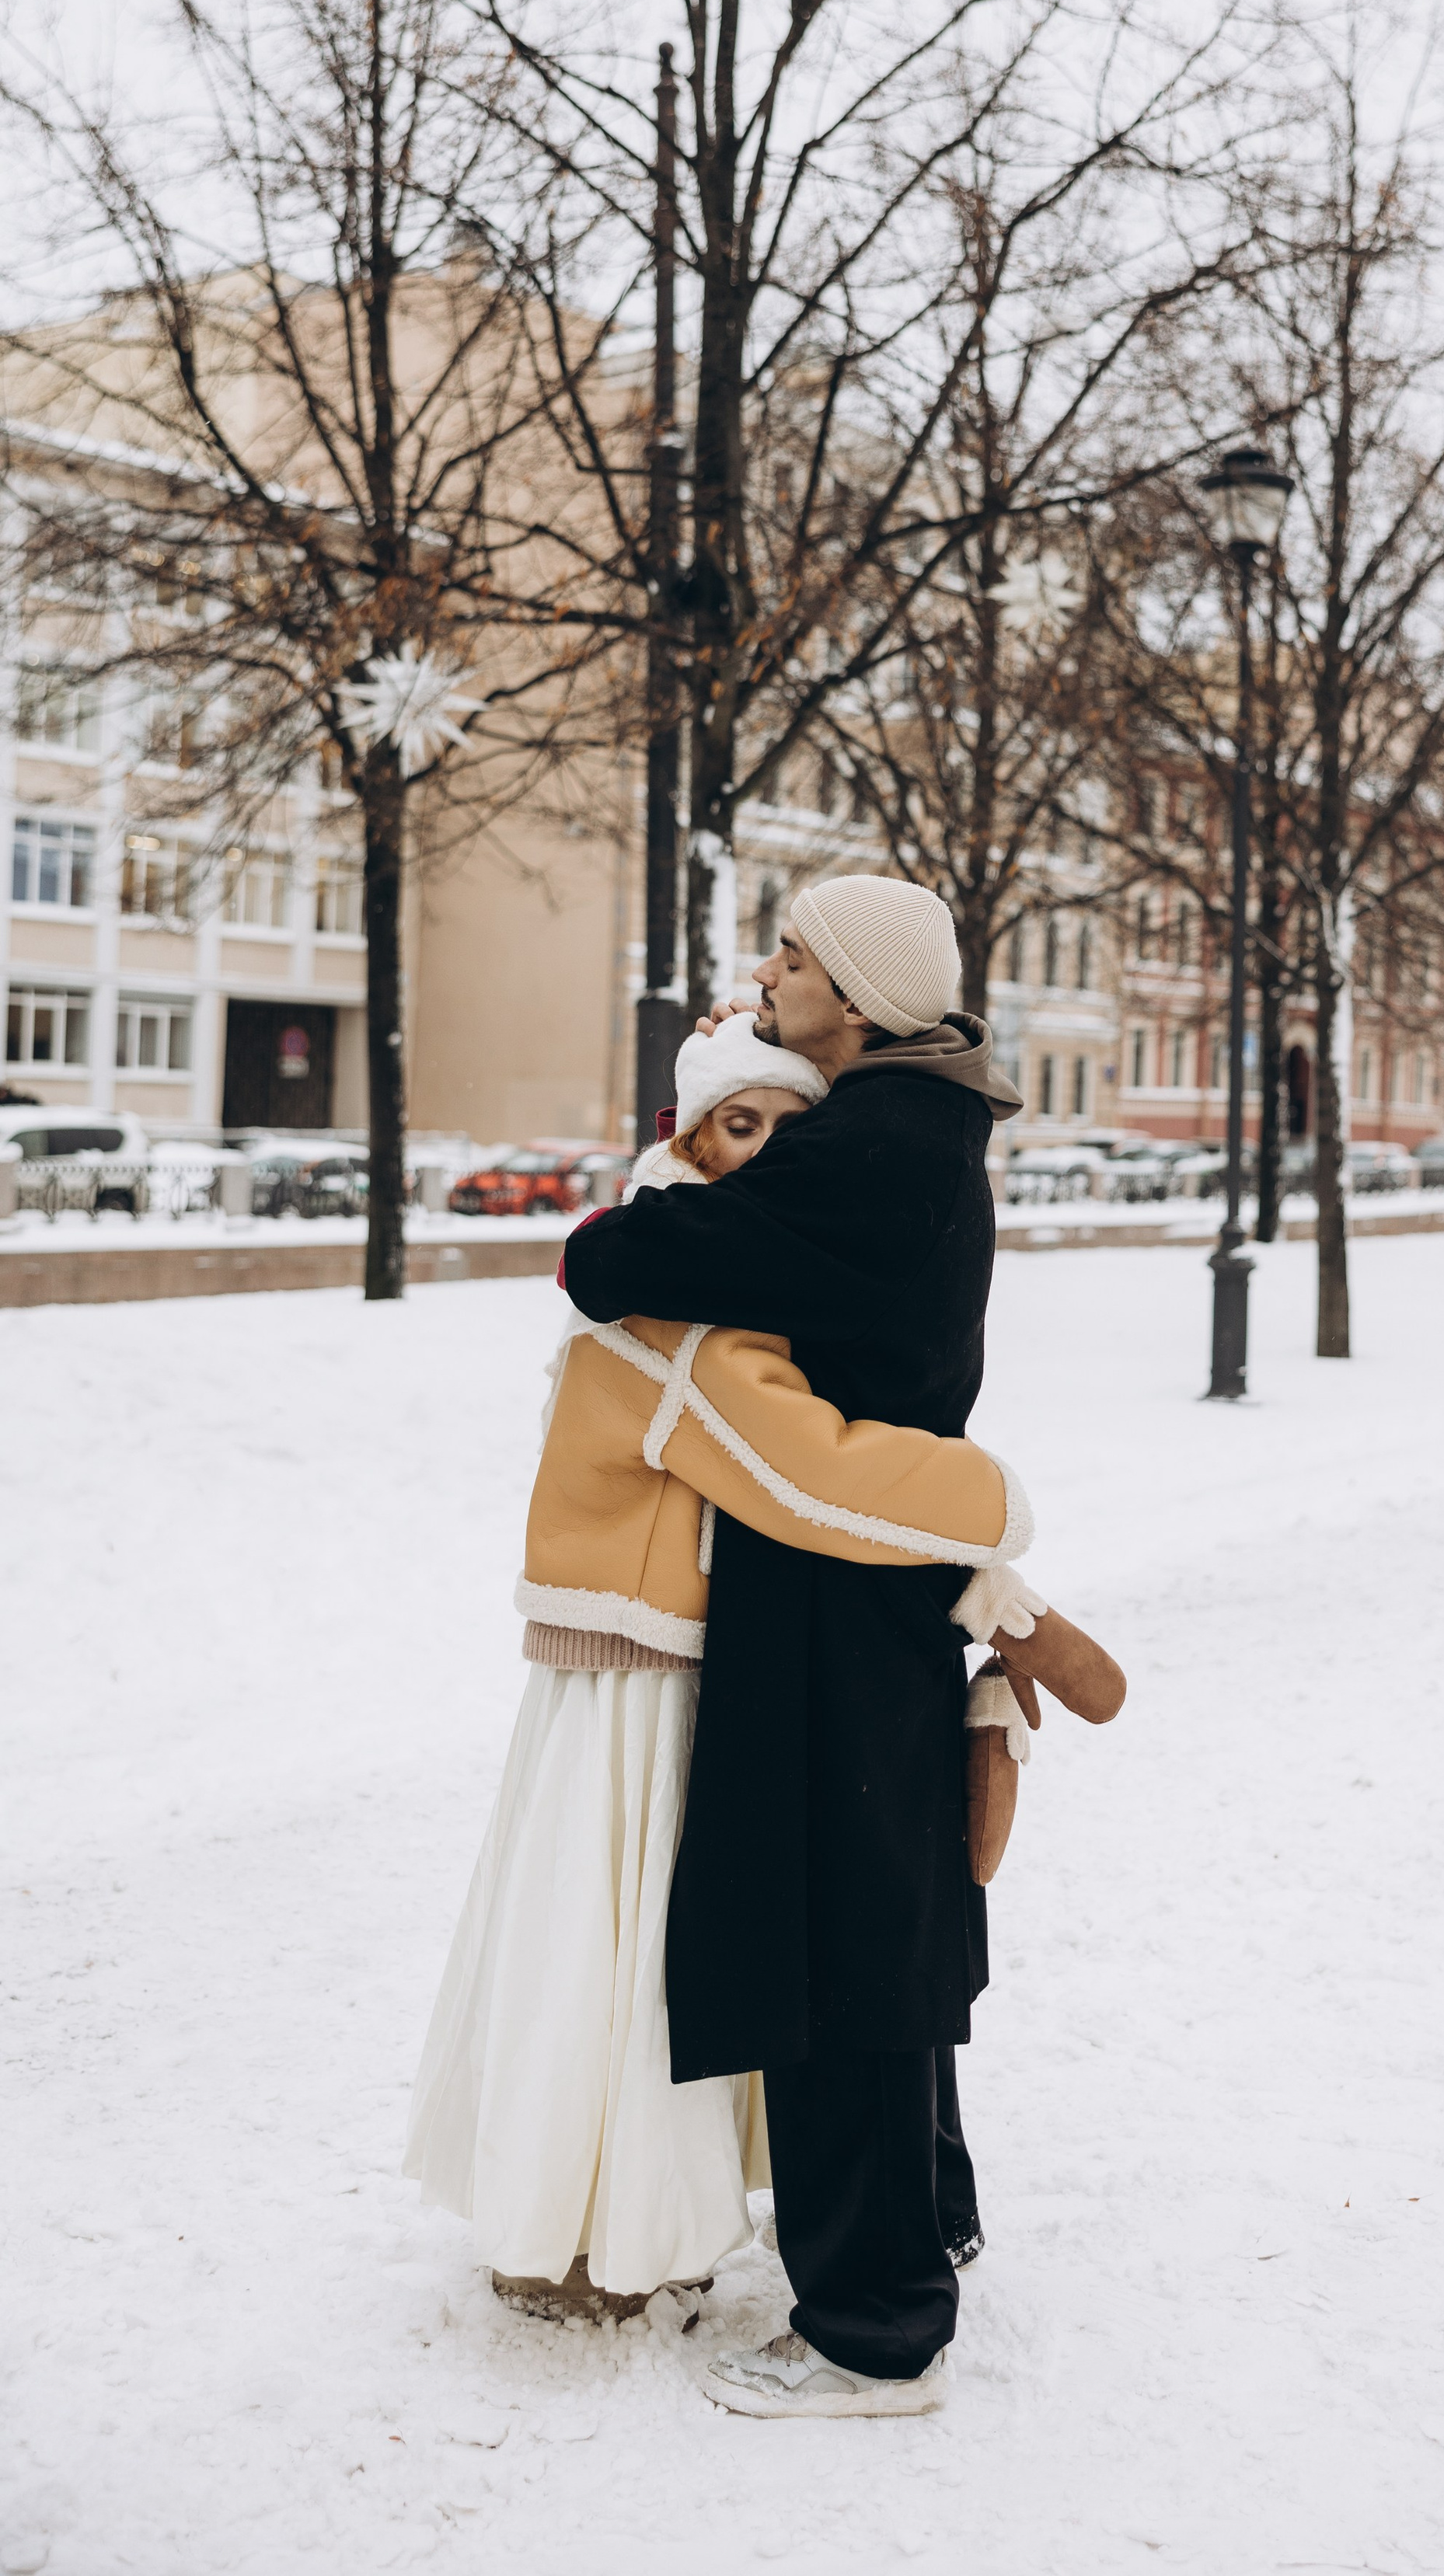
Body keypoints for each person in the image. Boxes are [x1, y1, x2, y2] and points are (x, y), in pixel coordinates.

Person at [403, 1013, 1040, 2324]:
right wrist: (995, 1505)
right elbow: (814, 1473)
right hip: (645, 1676)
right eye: (737, 1128)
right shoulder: (691, 1317)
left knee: (588, 1948)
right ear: (690, 1143)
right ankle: (601, 2229)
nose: (762, 1156)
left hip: (604, 1662)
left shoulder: (687, 1277)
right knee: (626, 1964)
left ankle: (568, 2215)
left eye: (783, 1131)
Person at [561, 874, 1042, 2419]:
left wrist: (693, 1139)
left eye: (791, 958)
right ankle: (928, 2224)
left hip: (833, 1579)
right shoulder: (912, 1128)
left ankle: (872, 2329)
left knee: (834, 1940)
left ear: (857, 991)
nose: (765, 974)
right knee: (883, 1914)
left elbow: (617, 1261)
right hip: (881, 1572)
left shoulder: (867, 1147)